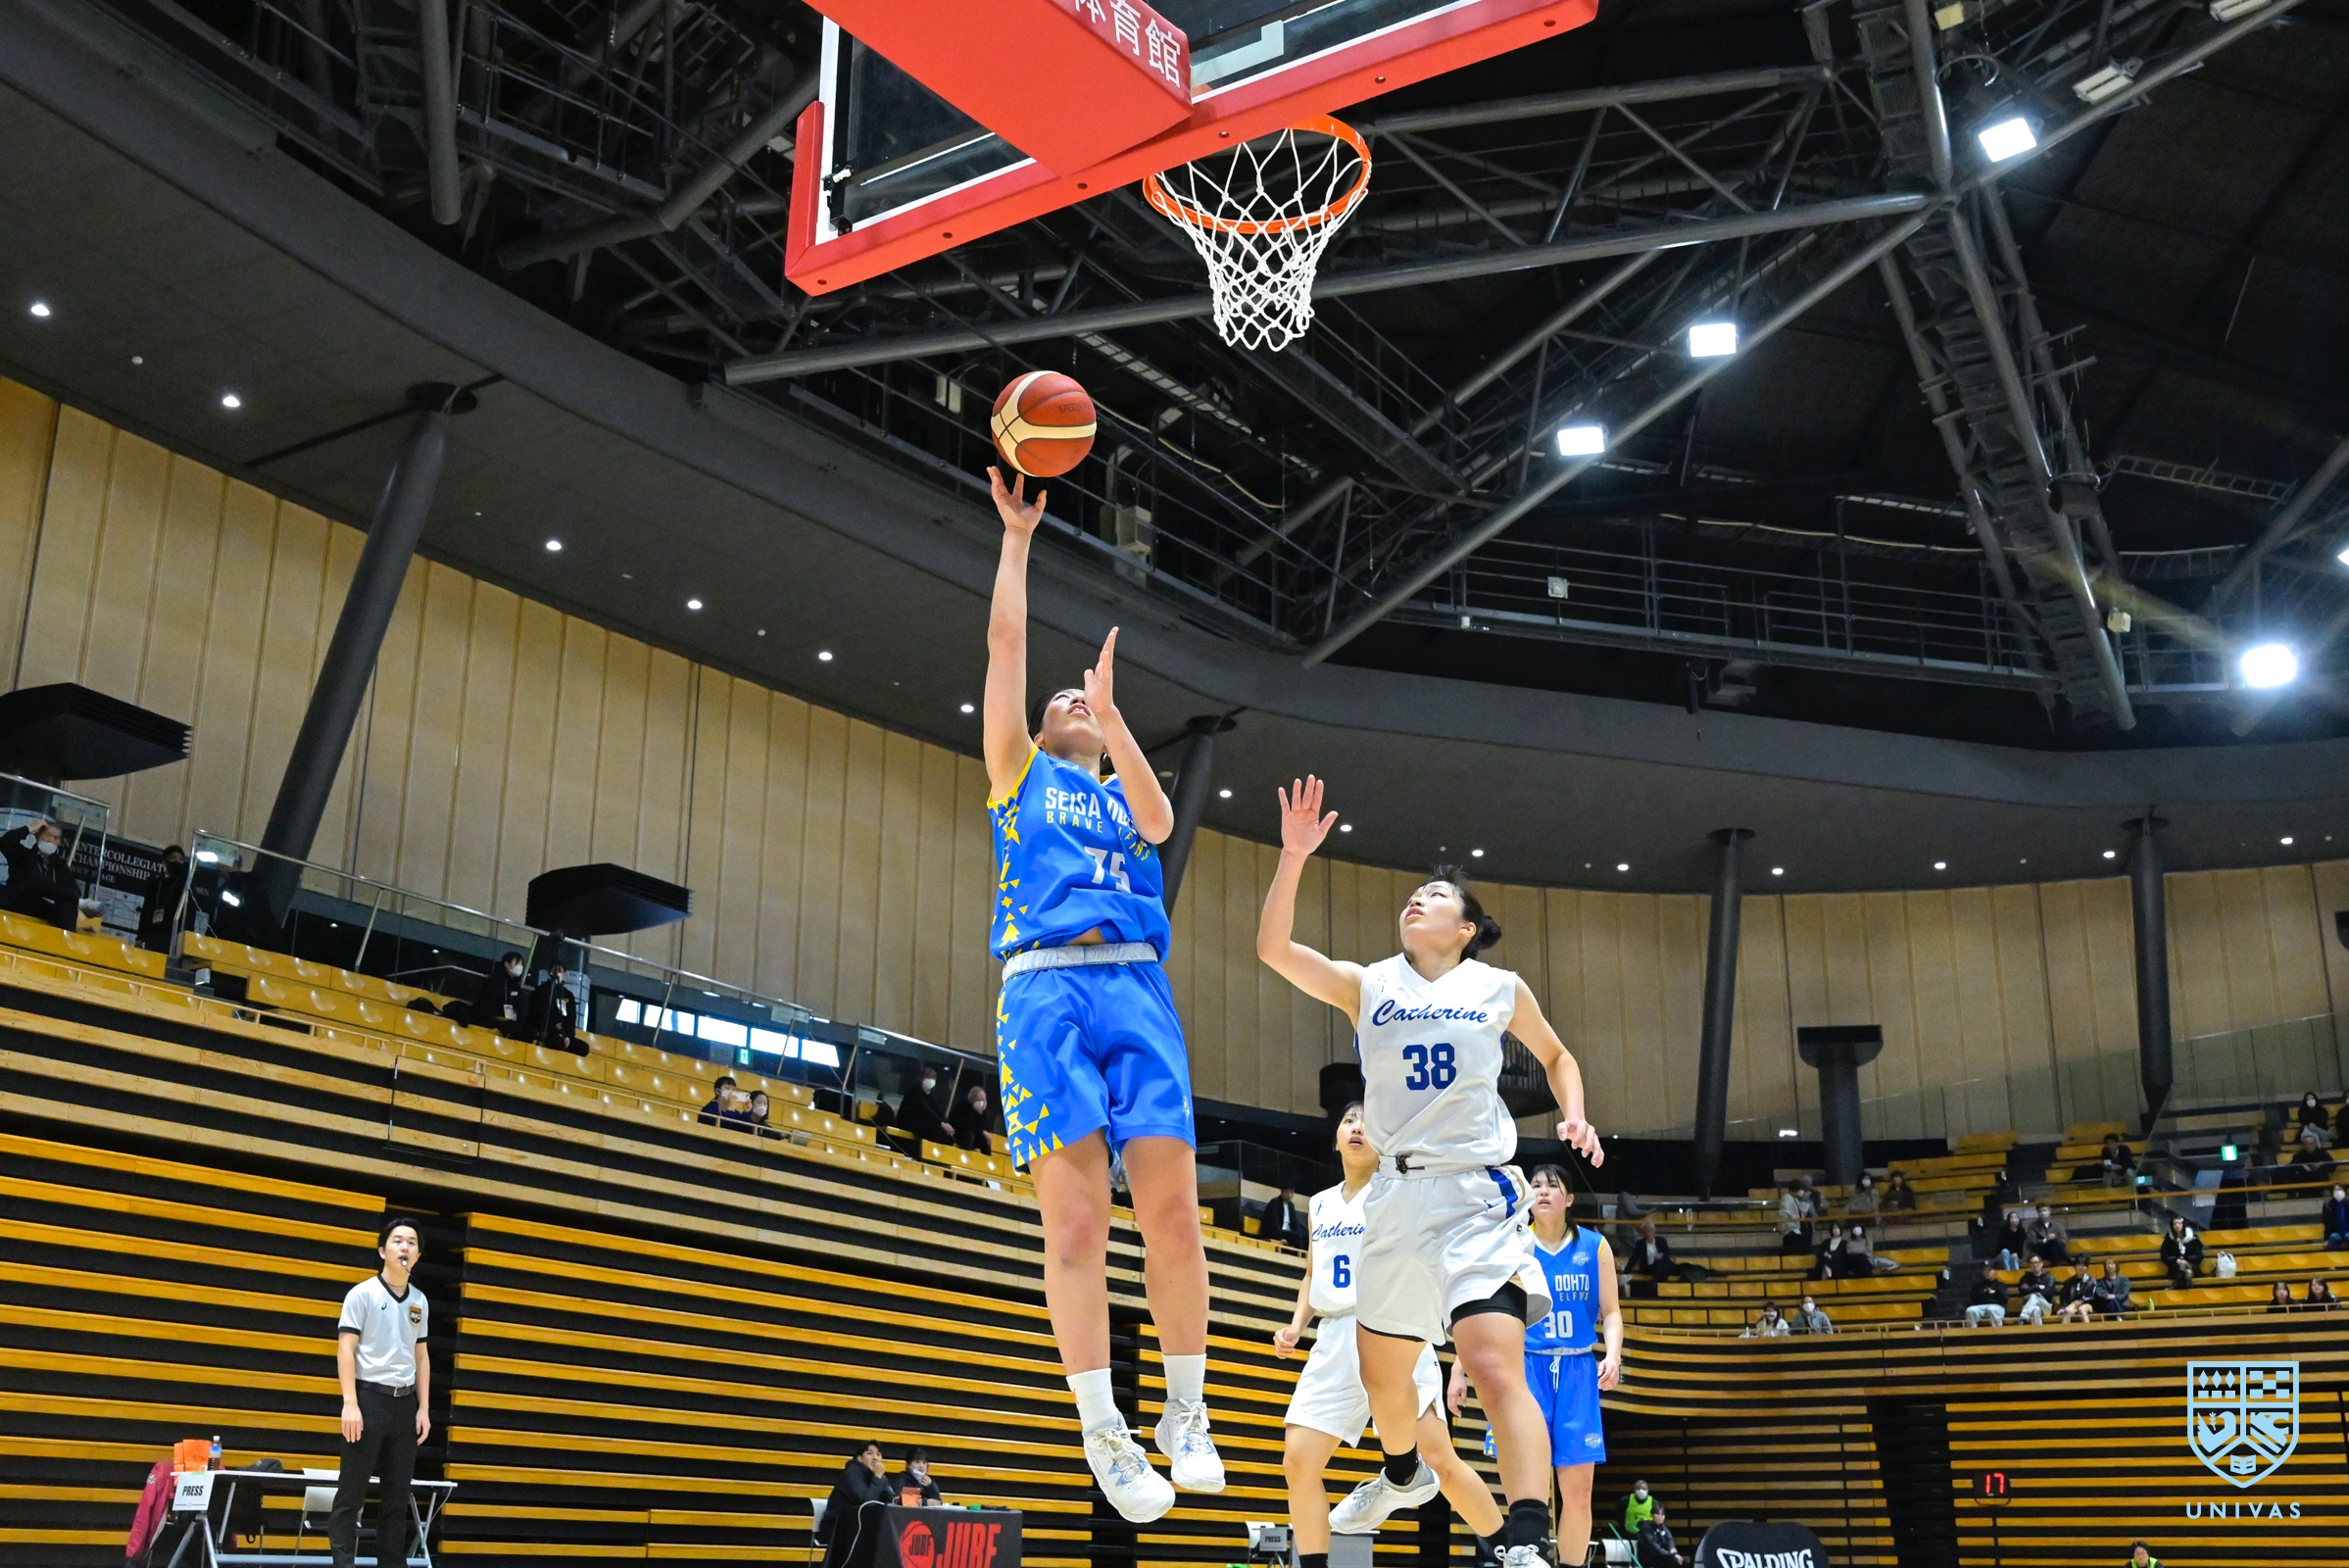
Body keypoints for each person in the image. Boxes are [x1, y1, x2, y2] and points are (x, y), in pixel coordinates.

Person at [1258, 776, 1603, 1568]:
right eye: (1414, 894)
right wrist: (1293, 856)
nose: (1417, 899)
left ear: (1466, 928)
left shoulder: (1498, 987)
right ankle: (1401, 1472)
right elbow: (1274, 950)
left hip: (1474, 1194)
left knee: (1491, 1361)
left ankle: (1525, 1533)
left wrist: (1574, 1113)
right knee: (1383, 1383)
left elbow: (1557, 1056)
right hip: (1394, 1196)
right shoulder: (1370, 982)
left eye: (1436, 896)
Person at [981, 467, 1217, 1522]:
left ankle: (1185, 1412)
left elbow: (1162, 824)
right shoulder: (1019, 773)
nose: (1071, 700)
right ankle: (1103, 1429)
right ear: (1038, 730)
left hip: (1136, 989)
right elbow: (1006, 649)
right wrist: (1017, 540)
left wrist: (1116, 717)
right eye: (1062, 701)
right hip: (1044, 994)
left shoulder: (1126, 794)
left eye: (1083, 699)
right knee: (1078, 1232)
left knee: (1174, 1218)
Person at [1275, 1104, 1504, 1568]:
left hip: (1393, 1326)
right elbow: (1313, 1273)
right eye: (1348, 1121)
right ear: (1335, 1139)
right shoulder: (1319, 1203)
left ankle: (1511, 1549)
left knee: (1438, 1458)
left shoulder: (1398, 1190)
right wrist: (1297, 1325)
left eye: (1367, 1121)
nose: (1357, 1127)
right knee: (1298, 1459)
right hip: (1335, 1334)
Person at [1444, 1164, 1623, 1568]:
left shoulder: (1595, 1246)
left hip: (1577, 1371)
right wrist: (1459, 1368)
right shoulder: (1512, 1242)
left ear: (1569, 1199)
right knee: (1526, 1491)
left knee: (1578, 1494)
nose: (1542, 1191)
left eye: (1552, 1186)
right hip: (1523, 1368)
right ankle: (1527, 1556)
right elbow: (1485, 1310)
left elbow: (1611, 1312)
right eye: (1536, 1185)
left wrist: (1612, 1354)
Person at [331, 1216, 431, 1568]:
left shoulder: (420, 1301)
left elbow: (421, 1356)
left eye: (412, 1243)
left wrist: (423, 1408)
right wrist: (350, 1403)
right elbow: (345, 1349)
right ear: (382, 1251)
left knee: (396, 1499)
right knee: (351, 1495)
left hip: (404, 1405)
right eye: (398, 1241)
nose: (405, 1247)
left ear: (418, 1255)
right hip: (368, 1400)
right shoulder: (362, 1294)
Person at [817, 1440, 896, 1568]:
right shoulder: (851, 1474)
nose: (875, 1458)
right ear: (860, 1458)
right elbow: (866, 1502)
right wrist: (877, 1478)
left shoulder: (879, 1477)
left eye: (878, 1454)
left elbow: (890, 1497)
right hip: (837, 1527)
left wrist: (902, 1500)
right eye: (870, 1453)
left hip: (862, 1527)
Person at [0, 817, 79, 928]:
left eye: (56, 838)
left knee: (69, 906)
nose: (51, 840)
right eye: (47, 835)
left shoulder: (60, 866)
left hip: (45, 910)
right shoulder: (23, 855)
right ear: (38, 835)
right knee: (38, 880)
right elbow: (5, 842)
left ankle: (66, 937)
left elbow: (74, 891)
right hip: (20, 904)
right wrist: (30, 828)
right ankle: (82, 903)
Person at [880, 1064, 958, 1154]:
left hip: (919, 1122)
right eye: (928, 1077)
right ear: (921, 1078)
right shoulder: (914, 1092)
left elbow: (938, 1110)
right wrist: (941, 1123)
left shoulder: (930, 1095)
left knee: (945, 1135)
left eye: (933, 1078)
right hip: (908, 1122)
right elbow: (925, 1109)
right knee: (934, 1129)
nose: (930, 1080)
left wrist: (946, 1124)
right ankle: (927, 1154)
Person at [526, 960, 586, 1055]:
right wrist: (553, 1030)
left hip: (563, 1034)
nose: (557, 973)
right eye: (554, 970)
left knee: (583, 1048)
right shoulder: (541, 991)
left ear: (565, 973)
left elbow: (571, 1019)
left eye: (559, 970)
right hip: (547, 1031)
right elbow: (538, 1014)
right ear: (550, 972)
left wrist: (568, 1036)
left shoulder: (568, 995)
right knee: (556, 1041)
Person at [138, 844, 189, 952]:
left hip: (175, 937)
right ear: (164, 862)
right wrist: (140, 937)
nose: (177, 862)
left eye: (180, 859)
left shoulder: (186, 886)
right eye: (173, 858)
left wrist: (187, 940)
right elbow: (147, 910)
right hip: (153, 934)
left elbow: (190, 915)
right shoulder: (156, 883)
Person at [464, 952, 527, 1035]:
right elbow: (487, 1005)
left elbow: (520, 1008)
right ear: (506, 964)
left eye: (521, 964)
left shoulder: (516, 987)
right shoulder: (494, 981)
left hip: (509, 1020)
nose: (520, 967)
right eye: (517, 963)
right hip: (492, 1020)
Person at [1622, 1220, 1674, 1298]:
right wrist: (1625, 1273)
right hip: (1648, 1268)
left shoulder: (1661, 1241)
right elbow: (1633, 1259)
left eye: (1650, 1230)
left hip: (1661, 1267)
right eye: (1647, 1231)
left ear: (1654, 1231)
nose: (1649, 1233)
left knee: (1662, 1262)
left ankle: (1658, 1286)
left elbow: (1668, 1253)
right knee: (1659, 1265)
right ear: (1644, 1233)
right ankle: (1657, 1287)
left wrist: (1661, 1255)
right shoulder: (1640, 1244)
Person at [948, 1083, 995, 1154]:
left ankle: (987, 1160)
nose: (983, 1103)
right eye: (980, 1099)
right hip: (959, 1135)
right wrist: (982, 1132)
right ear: (972, 1099)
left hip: (974, 1136)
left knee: (985, 1140)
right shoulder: (961, 1107)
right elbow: (965, 1125)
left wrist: (980, 1114)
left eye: (984, 1100)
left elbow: (985, 1127)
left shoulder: (982, 1112)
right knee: (969, 1135)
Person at [1635, 1502, 1686, 1568]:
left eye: (1662, 1514)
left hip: (1663, 1556)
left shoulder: (1664, 1528)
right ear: (1652, 1515)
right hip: (1650, 1557)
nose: (1660, 1517)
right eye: (1658, 1514)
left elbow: (1669, 1540)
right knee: (1673, 1560)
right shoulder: (1645, 1528)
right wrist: (1670, 1555)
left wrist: (1674, 1552)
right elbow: (1653, 1547)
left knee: (1681, 1561)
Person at [2160, 1215, 2202, 1290]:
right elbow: (2164, 1256)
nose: (2177, 1226)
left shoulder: (2193, 1238)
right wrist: (2176, 1260)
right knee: (2187, 1272)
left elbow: (2199, 1256)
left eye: (2179, 1223)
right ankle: (2187, 1284)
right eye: (2174, 1224)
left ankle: (2175, 1285)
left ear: (2183, 1224)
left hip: (2192, 1265)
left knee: (2184, 1265)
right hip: (2175, 1268)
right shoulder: (2169, 1239)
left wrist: (2186, 1260)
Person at [1259, 1183, 1306, 1248]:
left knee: (1305, 1236)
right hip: (1276, 1232)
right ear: (1281, 1192)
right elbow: (1274, 1223)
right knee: (1297, 1236)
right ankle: (1299, 1253)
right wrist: (1279, 1238)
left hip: (1288, 1232)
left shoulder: (1291, 1206)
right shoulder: (1275, 1203)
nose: (1289, 1195)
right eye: (1287, 1192)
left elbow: (1294, 1224)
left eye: (1291, 1192)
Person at [2015, 1256, 2058, 1325]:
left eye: (2036, 1262)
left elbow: (2049, 1292)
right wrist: (2037, 1287)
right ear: (2029, 1265)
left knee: (2033, 1296)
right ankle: (2038, 1330)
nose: (2034, 1265)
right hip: (2030, 1306)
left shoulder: (2049, 1277)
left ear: (2041, 1264)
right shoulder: (2026, 1278)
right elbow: (2023, 1290)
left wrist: (2034, 1293)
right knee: (2036, 1309)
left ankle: (2024, 1315)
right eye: (2031, 1263)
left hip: (2046, 1306)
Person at [1779, 1177, 1817, 1252]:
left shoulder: (1794, 1199)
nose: (1803, 1191)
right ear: (1797, 1189)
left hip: (1796, 1230)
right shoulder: (1787, 1197)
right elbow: (1784, 1212)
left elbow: (1803, 1207)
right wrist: (1782, 1224)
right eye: (1802, 1189)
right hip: (1791, 1231)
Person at [2324, 1184, 2349, 1250]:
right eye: (2336, 1190)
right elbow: (2327, 1223)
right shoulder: (2328, 1205)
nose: (2338, 1191)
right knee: (2333, 1237)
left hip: (2348, 1232)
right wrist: (2326, 1239)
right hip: (2336, 1232)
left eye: (2340, 1189)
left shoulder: (2347, 1203)